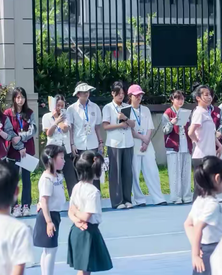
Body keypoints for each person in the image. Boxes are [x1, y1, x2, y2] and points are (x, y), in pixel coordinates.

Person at [67, 151, 113, 275]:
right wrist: (80, 219)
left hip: (78, 229)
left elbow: (70, 211)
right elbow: (86, 215)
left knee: (83, 271)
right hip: (88, 232)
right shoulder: (92, 191)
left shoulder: (77, 186)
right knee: (84, 272)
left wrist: (76, 220)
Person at [33, 144, 67, 275]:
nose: (64, 160)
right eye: (61, 158)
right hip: (48, 216)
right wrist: (48, 222)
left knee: (49, 250)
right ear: (51, 160)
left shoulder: (58, 176)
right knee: (50, 250)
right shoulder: (47, 178)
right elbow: (44, 201)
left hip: (55, 214)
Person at [128, 84, 166, 206]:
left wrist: (146, 140)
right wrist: (142, 138)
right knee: (135, 171)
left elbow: (150, 128)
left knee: (152, 171)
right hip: (134, 144)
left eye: (140, 95)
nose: (139, 97)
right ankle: (139, 199)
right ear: (130, 96)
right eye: (136, 95)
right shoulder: (126, 110)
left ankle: (158, 198)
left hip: (147, 144)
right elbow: (130, 130)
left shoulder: (145, 110)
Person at [4, 87, 37, 218]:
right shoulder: (7, 114)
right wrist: (19, 146)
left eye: (22, 97)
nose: (20, 100)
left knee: (26, 179)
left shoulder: (29, 112)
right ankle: (15, 206)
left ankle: (26, 205)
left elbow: (33, 130)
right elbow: (9, 131)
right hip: (13, 151)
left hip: (27, 151)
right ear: (13, 99)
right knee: (13, 180)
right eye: (17, 97)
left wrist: (22, 139)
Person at [102, 81, 135, 210]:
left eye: (122, 93)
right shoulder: (108, 108)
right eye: (118, 93)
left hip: (127, 142)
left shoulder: (127, 106)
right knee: (115, 172)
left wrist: (125, 119)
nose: (121, 96)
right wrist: (120, 125)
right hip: (114, 143)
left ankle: (127, 199)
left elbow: (132, 124)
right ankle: (117, 201)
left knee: (127, 172)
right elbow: (105, 126)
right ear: (113, 94)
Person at [42, 94, 78, 196]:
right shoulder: (46, 116)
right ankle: (50, 198)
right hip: (52, 150)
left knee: (71, 176)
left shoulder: (66, 116)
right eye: (58, 105)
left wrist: (59, 118)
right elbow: (48, 133)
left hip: (65, 148)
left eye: (62, 105)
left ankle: (74, 200)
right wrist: (56, 120)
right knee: (52, 176)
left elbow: (65, 128)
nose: (60, 108)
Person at [162, 90, 193, 205]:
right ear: (172, 99)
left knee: (186, 171)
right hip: (173, 146)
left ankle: (186, 195)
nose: (180, 101)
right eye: (177, 98)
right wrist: (172, 123)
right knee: (175, 172)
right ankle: (176, 197)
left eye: (182, 98)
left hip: (185, 144)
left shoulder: (186, 113)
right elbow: (164, 130)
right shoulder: (168, 113)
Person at [189, 85, 222, 174]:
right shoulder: (199, 112)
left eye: (210, 95)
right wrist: (197, 141)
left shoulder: (206, 112)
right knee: (202, 187)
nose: (209, 97)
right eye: (206, 95)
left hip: (210, 155)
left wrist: (219, 145)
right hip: (201, 156)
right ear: (198, 98)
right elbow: (190, 132)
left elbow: (210, 133)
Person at [67, 82, 104, 162]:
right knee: (80, 169)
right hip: (78, 144)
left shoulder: (95, 107)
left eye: (88, 91)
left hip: (93, 143)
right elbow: (71, 128)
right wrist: (72, 144)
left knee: (93, 170)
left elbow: (97, 127)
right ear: (78, 94)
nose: (86, 93)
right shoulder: (71, 109)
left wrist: (100, 142)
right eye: (83, 92)